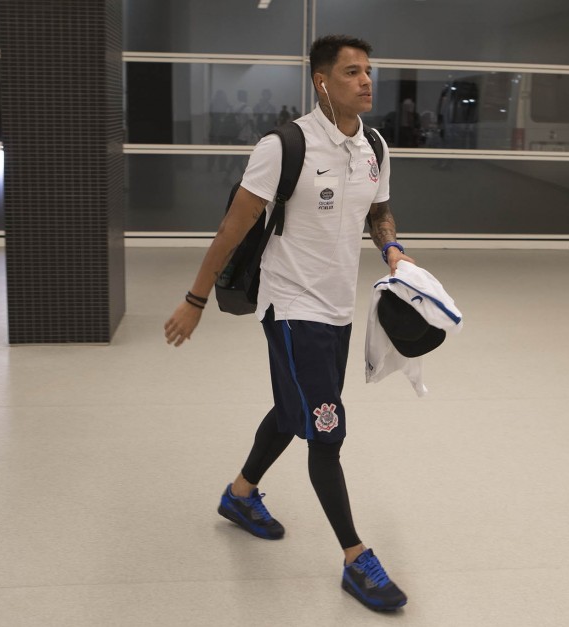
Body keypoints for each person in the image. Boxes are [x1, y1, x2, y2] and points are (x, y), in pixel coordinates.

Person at [163, 34, 413, 612]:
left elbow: (378, 209)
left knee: (293, 406)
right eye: (352, 72)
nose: (366, 81)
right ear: (322, 82)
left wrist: (392, 248)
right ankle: (356, 560)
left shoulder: (373, 143)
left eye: (368, 70)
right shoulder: (285, 146)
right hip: (292, 307)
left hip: (338, 309)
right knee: (326, 431)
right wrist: (195, 301)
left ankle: (240, 495)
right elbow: (231, 229)